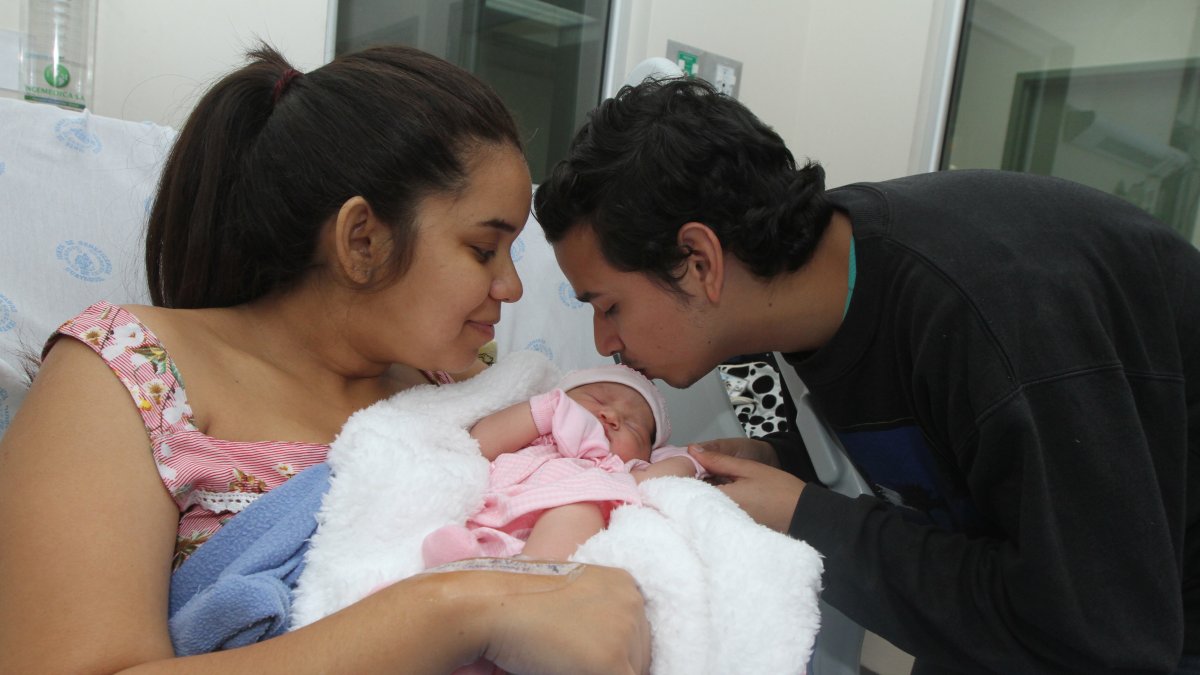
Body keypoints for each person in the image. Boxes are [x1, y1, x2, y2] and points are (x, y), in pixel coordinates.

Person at [0, 44, 651, 674]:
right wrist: (458, 608)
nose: (511, 287)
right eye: (484, 250)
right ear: (361, 238)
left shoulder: (458, 393)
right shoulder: (127, 375)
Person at [533, 77, 1200, 674]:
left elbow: (1099, 633)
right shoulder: (767, 314)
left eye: (608, 306)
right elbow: (844, 438)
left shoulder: (993, 313)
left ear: (700, 260)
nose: (605, 343)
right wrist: (776, 455)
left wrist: (806, 517)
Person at [423, 363, 704, 566]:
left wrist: (688, 460)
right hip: (486, 518)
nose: (611, 415)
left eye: (634, 426)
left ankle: (532, 581)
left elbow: (661, 479)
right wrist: (548, 410)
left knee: (579, 507)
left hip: (552, 543)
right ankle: (462, 563)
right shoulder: (537, 434)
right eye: (597, 399)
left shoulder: (614, 469)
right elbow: (479, 443)